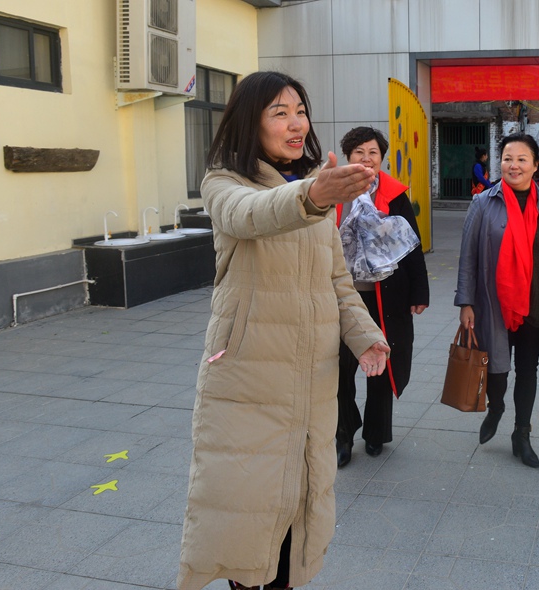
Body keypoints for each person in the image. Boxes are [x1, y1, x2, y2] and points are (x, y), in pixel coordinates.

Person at [177, 71, 391, 590]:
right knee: (247, 524)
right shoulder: (223, 182)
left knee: (297, 519)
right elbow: (251, 214)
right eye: (280, 112)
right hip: (249, 379)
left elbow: (337, 277)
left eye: (301, 110)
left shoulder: (315, 183)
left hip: (312, 378)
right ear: (251, 121)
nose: (296, 123)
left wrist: (364, 333)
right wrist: (311, 196)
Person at [456, 132, 539, 468]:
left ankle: (522, 433)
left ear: (535, 166)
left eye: (521, 159)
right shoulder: (483, 204)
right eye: (507, 159)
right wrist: (465, 302)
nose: (513, 165)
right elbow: (468, 258)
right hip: (495, 306)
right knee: (498, 372)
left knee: (527, 371)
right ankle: (497, 407)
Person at [334, 126, 430, 467]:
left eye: (372, 152)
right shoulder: (333, 192)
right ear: (348, 156)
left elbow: (412, 245)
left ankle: (376, 433)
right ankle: (343, 434)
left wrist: (420, 291)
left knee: (381, 366)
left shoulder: (394, 194)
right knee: (339, 370)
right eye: (359, 151)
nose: (366, 158)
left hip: (386, 297)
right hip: (342, 298)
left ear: (381, 158)